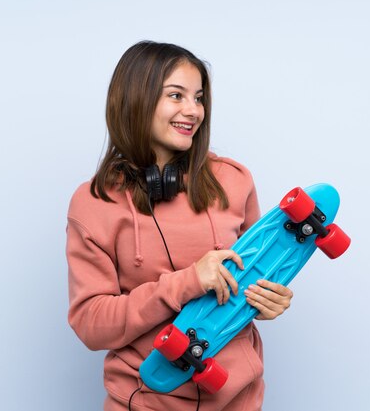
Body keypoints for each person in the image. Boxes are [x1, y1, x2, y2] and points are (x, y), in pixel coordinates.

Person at [66, 40, 294, 411]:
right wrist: (186, 283)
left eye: (199, 98)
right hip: (144, 401)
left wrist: (269, 301)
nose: (193, 111)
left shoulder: (234, 181)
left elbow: (256, 277)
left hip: (240, 400)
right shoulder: (94, 202)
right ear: (136, 99)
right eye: (176, 95)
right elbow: (91, 324)